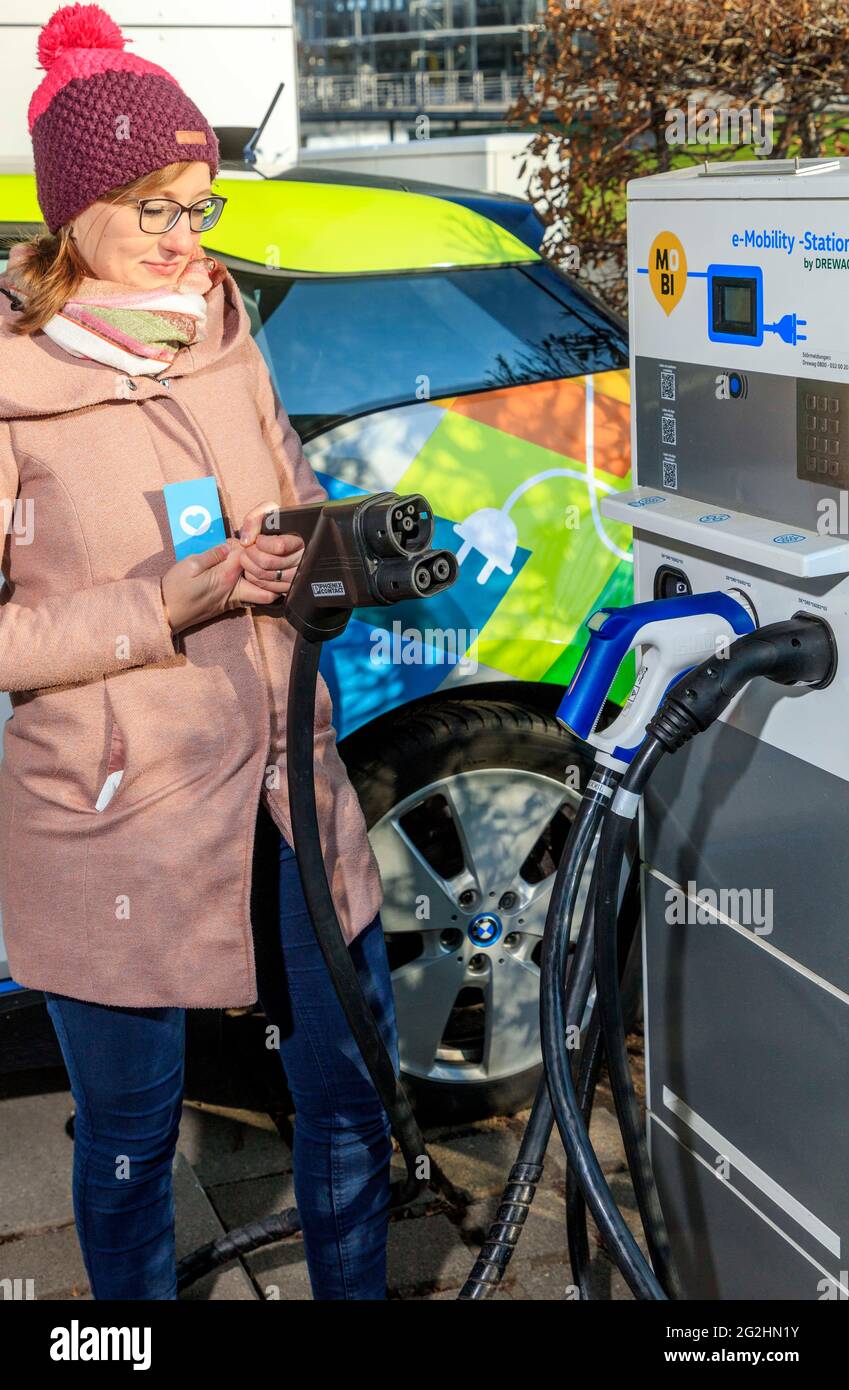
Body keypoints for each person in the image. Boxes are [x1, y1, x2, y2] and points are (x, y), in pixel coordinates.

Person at [0, 3, 400, 1300]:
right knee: (128, 1137)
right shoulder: (12, 382)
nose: (187, 240)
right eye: (157, 208)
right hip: (117, 813)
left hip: (290, 777)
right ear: (76, 212)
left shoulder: (227, 331)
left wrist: (302, 560)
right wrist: (157, 604)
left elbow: (281, 496)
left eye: (202, 205)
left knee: (344, 1088)